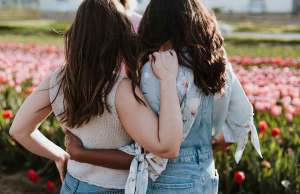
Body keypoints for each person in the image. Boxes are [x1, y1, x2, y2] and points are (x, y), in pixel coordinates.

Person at [66, 0, 262, 194]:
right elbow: (241, 120)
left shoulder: (153, 69)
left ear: (154, 23)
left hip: (165, 180)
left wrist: (84, 153)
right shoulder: (217, 65)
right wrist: (199, 152)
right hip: (206, 175)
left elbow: (145, 143)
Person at [9, 0, 183, 193]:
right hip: (112, 188)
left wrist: (60, 156)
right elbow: (167, 148)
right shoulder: (120, 89)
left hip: (72, 183)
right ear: (119, 36)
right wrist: (168, 80)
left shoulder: (57, 78)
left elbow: (19, 130)